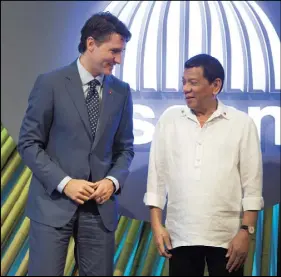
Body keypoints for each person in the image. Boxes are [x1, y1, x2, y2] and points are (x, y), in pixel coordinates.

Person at [18, 12, 134, 276]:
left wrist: (112, 181)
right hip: (52, 206)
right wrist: (65, 182)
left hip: (100, 212)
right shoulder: (50, 83)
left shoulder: (122, 91)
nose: (118, 59)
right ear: (91, 44)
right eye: (114, 51)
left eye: (121, 52)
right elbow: (28, 143)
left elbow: (125, 148)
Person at [144, 54, 264, 276]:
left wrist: (246, 231)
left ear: (215, 85)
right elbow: (157, 177)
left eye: (193, 82)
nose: (186, 89)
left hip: (227, 239)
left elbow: (252, 184)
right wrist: (157, 225)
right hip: (180, 236)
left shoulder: (241, 123)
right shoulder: (170, 120)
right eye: (184, 82)